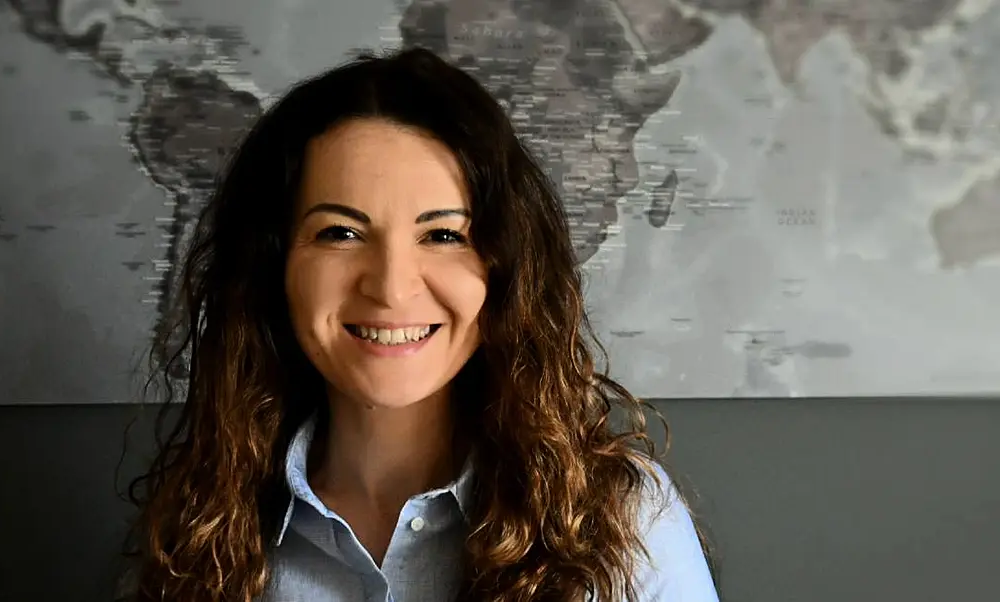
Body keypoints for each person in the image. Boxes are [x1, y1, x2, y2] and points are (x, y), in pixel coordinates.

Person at [121, 46, 719, 602]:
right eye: (341, 233)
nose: (390, 286)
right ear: (274, 266)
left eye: (442, 235)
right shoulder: (196, 533)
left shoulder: (623, 517)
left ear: (502, 268)